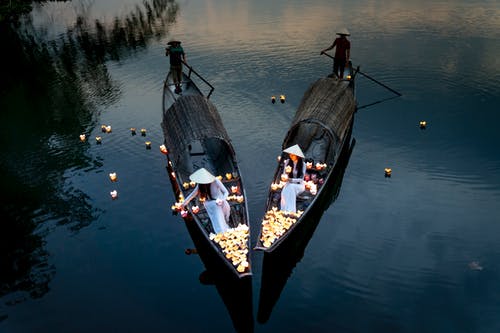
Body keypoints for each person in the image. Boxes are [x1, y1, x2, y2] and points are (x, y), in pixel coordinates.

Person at [182, 168, 231, 234]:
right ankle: (222, 231)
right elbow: (193, 194)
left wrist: (222, 200)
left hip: (221, 200)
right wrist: (184, 203)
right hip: (210, 203)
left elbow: (226, 192)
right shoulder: (200, 185)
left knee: (226, 207)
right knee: (216, 207)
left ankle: (227, 219)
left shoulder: (216, 181)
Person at [280, 144, 307, 213]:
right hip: (289, 183)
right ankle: (284, 209)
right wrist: (285, 176)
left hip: (299, 185)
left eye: (292, 155)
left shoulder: (303, 164)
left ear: (297, 156)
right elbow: (284, 174)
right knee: (284, 191)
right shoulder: (288, 162)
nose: (290, 156)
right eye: (290, 155)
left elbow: (301, 179)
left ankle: (291, 211)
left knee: (291, 187)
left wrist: (291, 180)